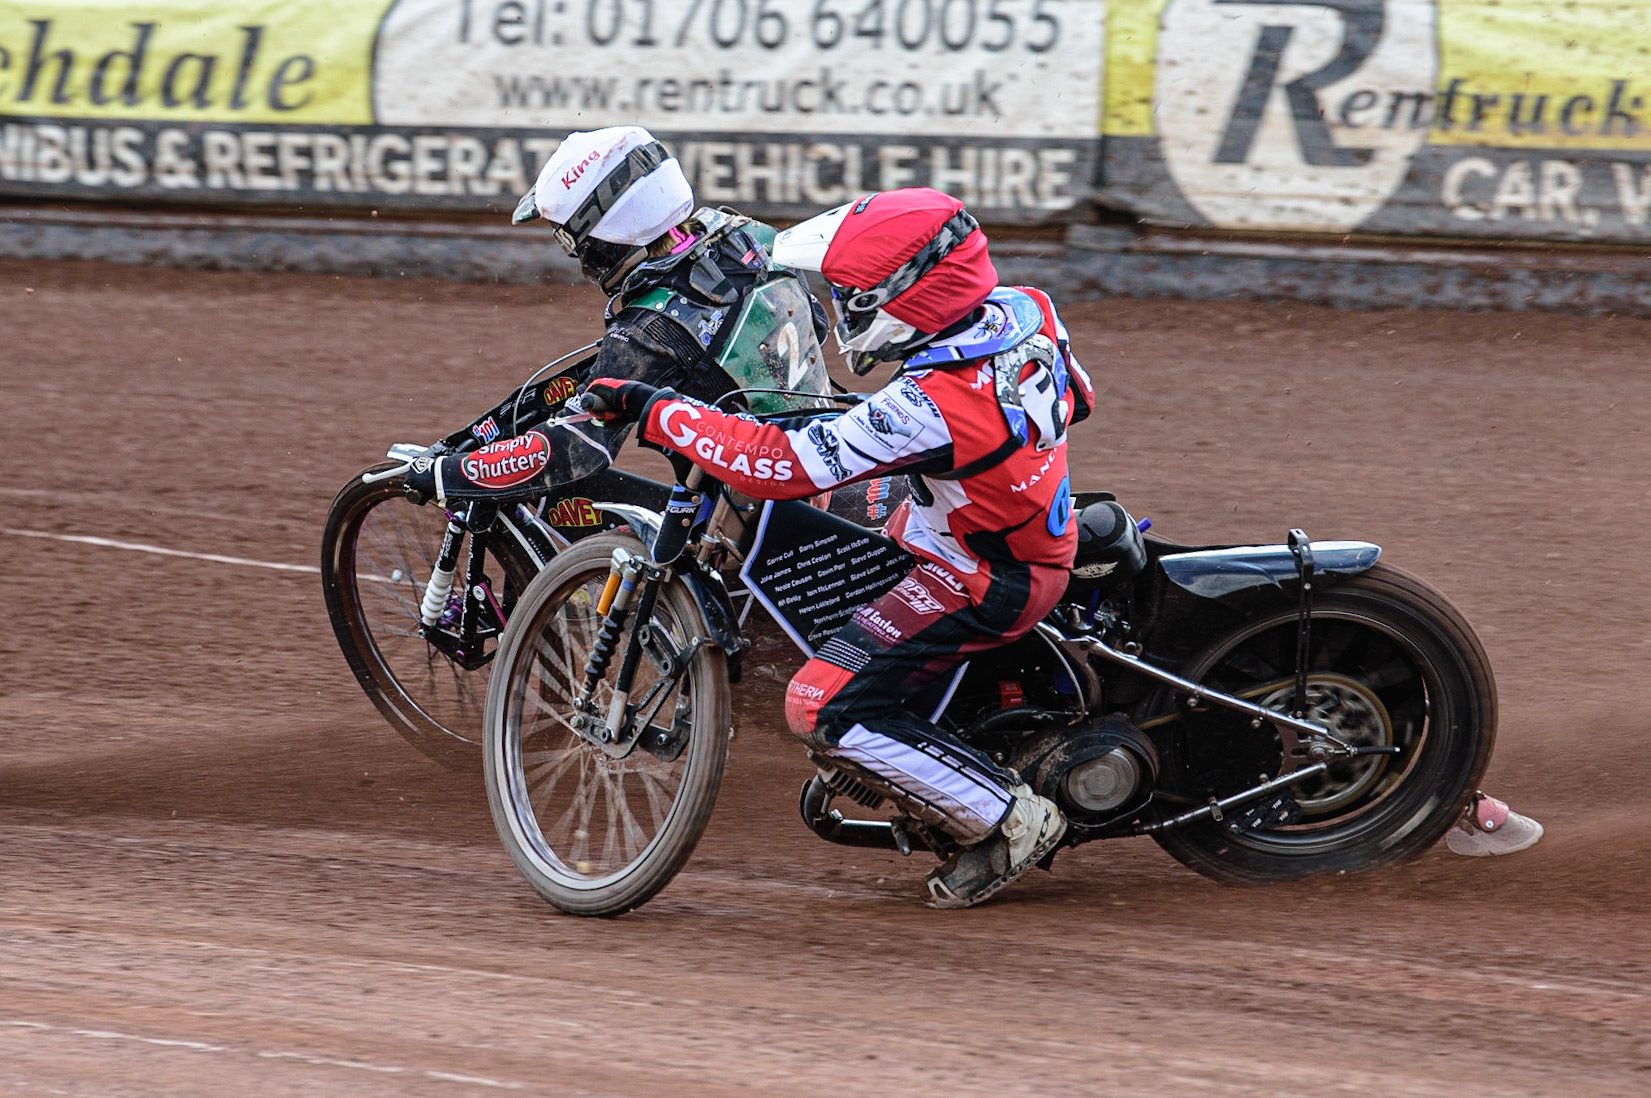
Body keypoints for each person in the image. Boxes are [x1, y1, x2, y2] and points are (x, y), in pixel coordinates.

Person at [577, 188, 1097, 908]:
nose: (842, 305)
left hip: (981, 574)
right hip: (980, 514)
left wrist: (651, 406)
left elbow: (779, 464)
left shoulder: (935, 404)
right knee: (820, 534)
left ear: (908, 293)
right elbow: (1079, 394)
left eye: (853, 293)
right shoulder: (1021, 310)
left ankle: (1007, 819)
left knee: (819, 706)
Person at [409, 123, 827, 497]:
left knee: (614, 540)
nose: (575, 257)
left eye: (570, 241)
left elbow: (574, 452)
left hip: (749, 516)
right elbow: (818, 326)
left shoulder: (647, 329)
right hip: (824, 458)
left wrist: (449, 474)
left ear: (606, 235)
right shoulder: (752, 236)